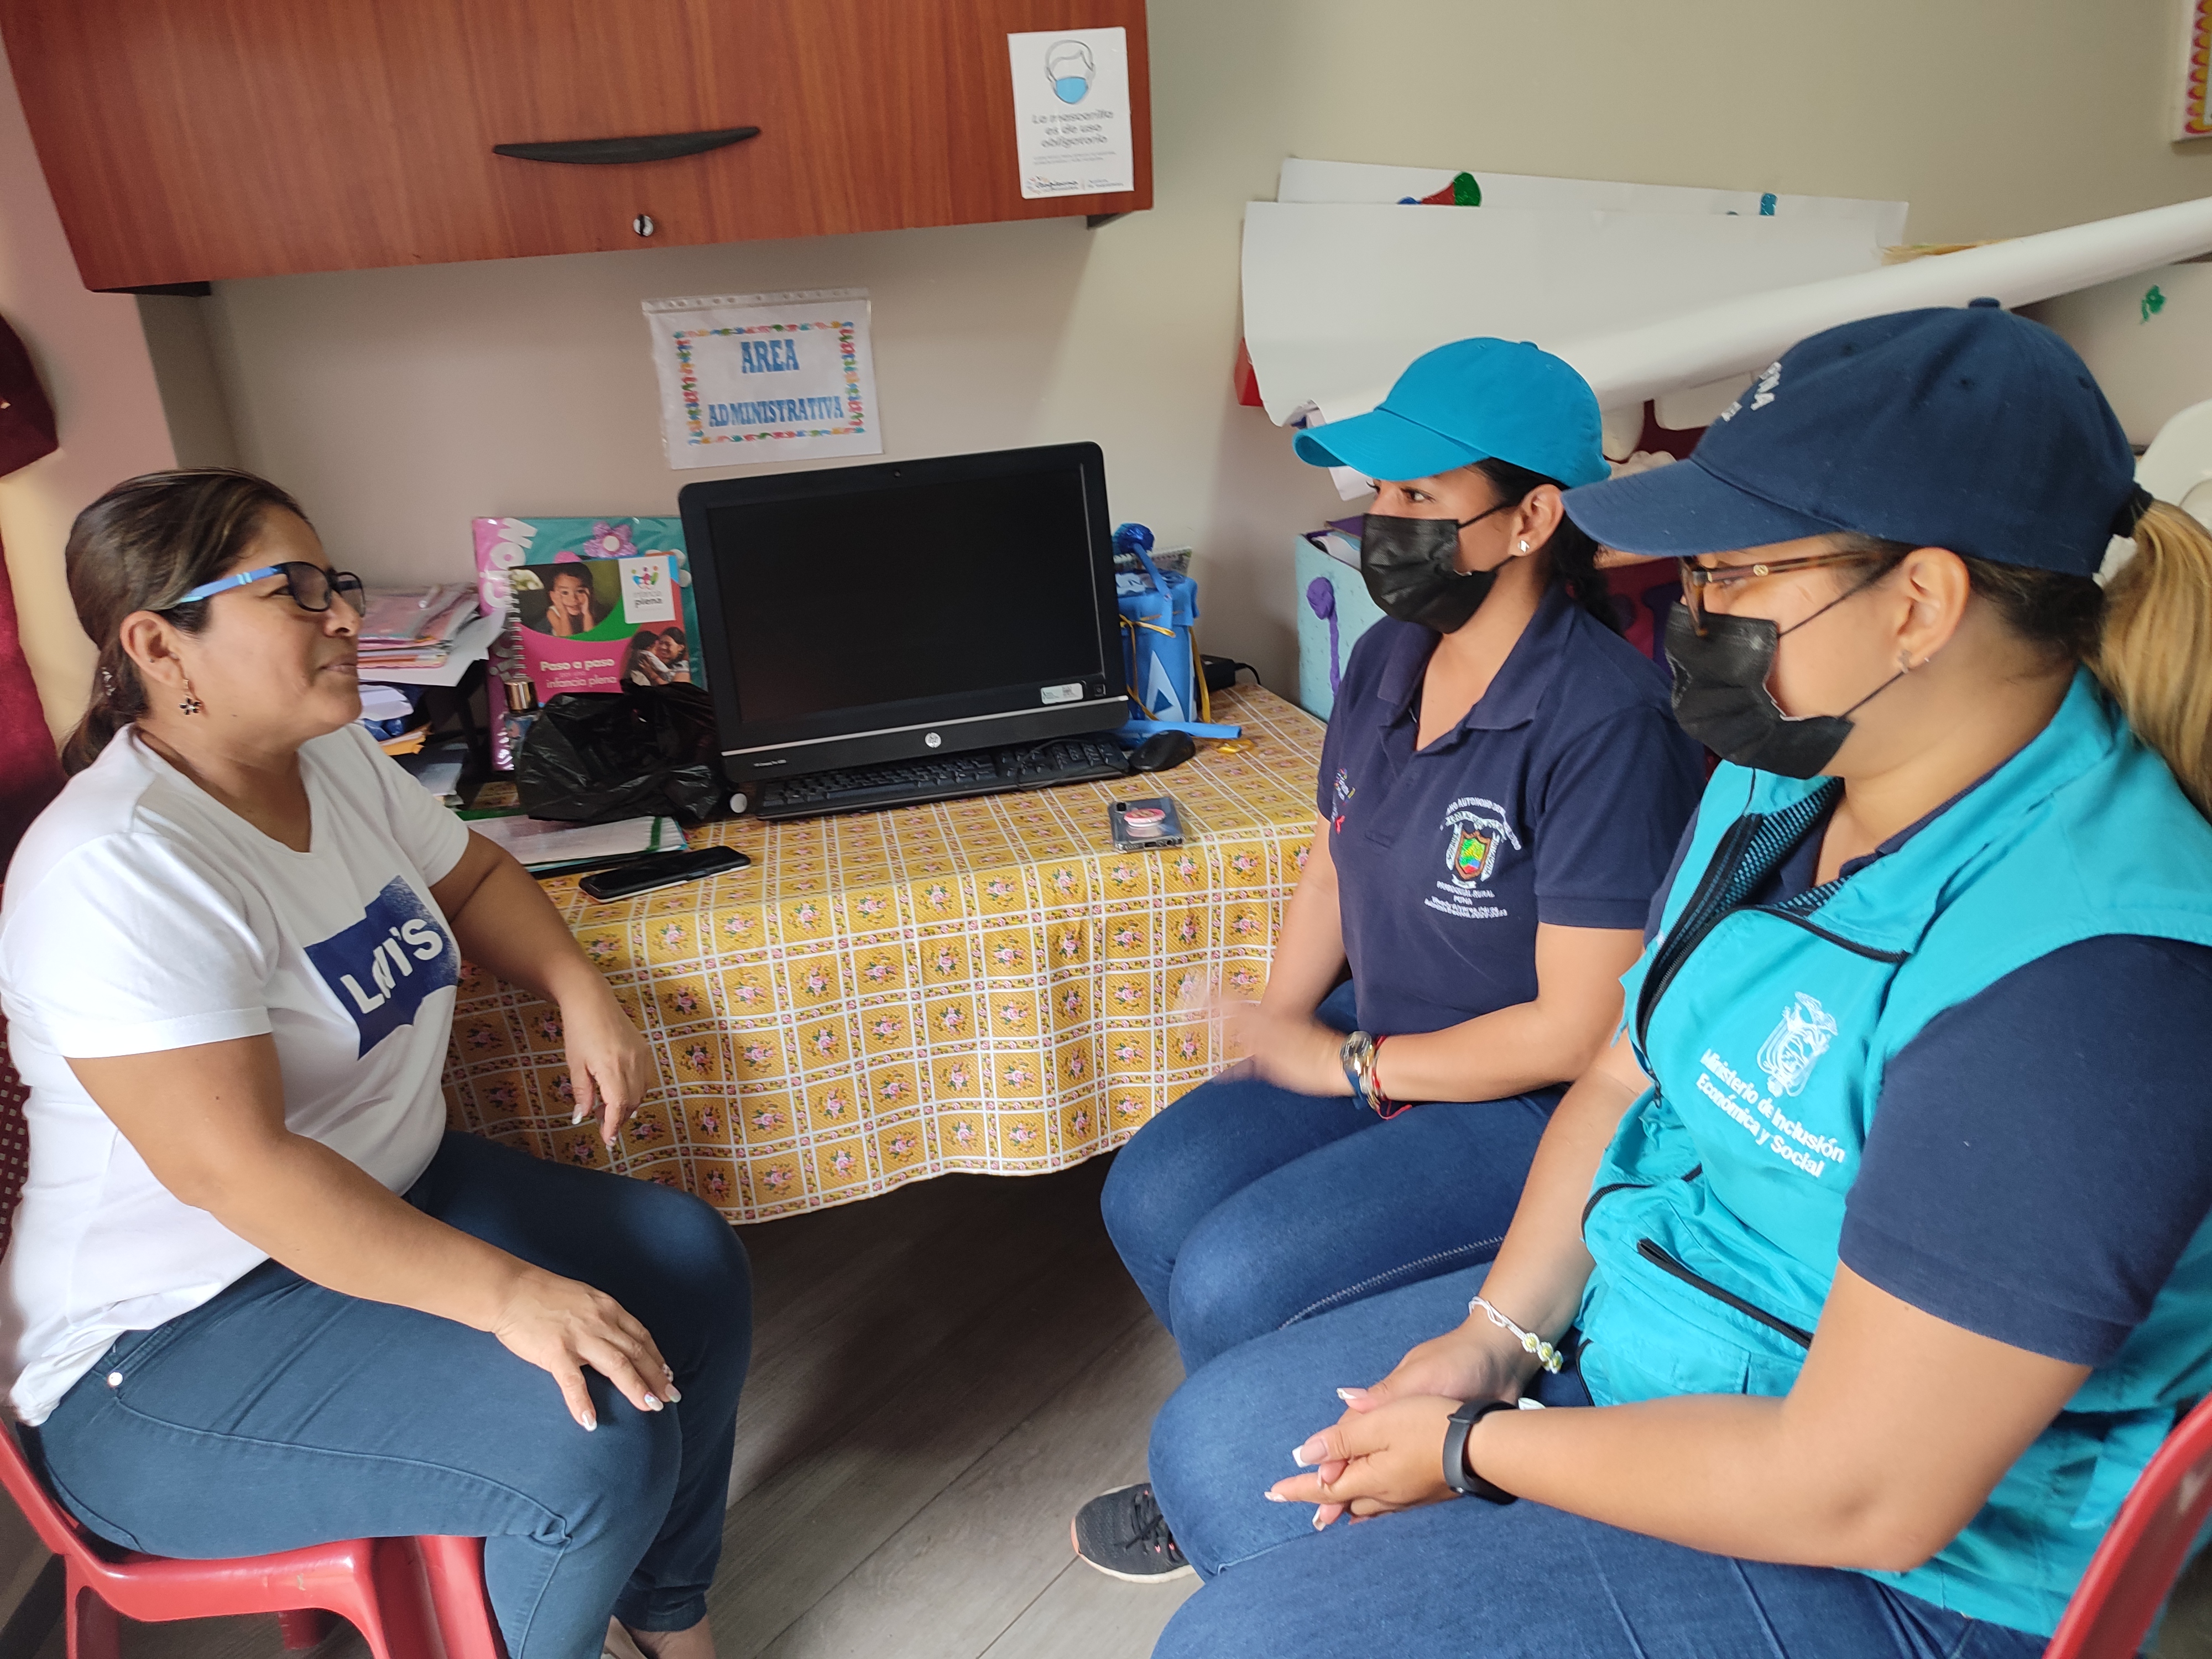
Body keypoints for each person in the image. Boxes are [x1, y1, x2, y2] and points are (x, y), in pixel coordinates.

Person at [1139, 302, 2212, 1658]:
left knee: (1246, 1638)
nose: (1689, 618)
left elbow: (1862, 1489)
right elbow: (1617, 1073)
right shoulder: (1782, 777)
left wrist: (1475, 1447)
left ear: (1919, 604)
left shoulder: (2090, 982)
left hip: (1913, 1565)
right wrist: (1493, 1341)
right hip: (1679, 1329)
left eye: (1732, 576)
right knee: (1216, 1448)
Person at [0, 469, 752, 1659]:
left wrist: (578, 989)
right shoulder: (117, 870)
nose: (346, 616)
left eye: (334, 584)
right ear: (158, 644)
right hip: (165, 1349)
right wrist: (509, 1295)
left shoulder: (330, 759)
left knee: (688, 1264)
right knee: (590, 1444)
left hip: (378, 1197)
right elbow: (239, 1174)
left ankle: (662, 1614)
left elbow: (477, 876)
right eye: (296, 591)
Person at [1077, 339, 1702, 1580]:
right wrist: (1275, 1027)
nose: (1382, 524)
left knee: (1240, 1273)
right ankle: (1250, 1446)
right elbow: (1331, 865)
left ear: (1532, 519)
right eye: (1377, 493)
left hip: (1535, 1098)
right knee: (1147, 1192)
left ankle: (1284, 1498)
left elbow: (1581, 1032)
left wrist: (1346, 1066)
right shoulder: (1388, 657)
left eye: (1420, 495)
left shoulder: (1605, 720)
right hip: (1388, 1033)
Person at [544, 564, 602, 637]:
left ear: (591, 593)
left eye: (580, 591)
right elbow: (566, 639)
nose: (573, 599)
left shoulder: (591, 609)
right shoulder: (552, 613)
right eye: (565, 593)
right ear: (553, 596)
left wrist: (587, 614)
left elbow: (592, 638)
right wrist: (564, 614)